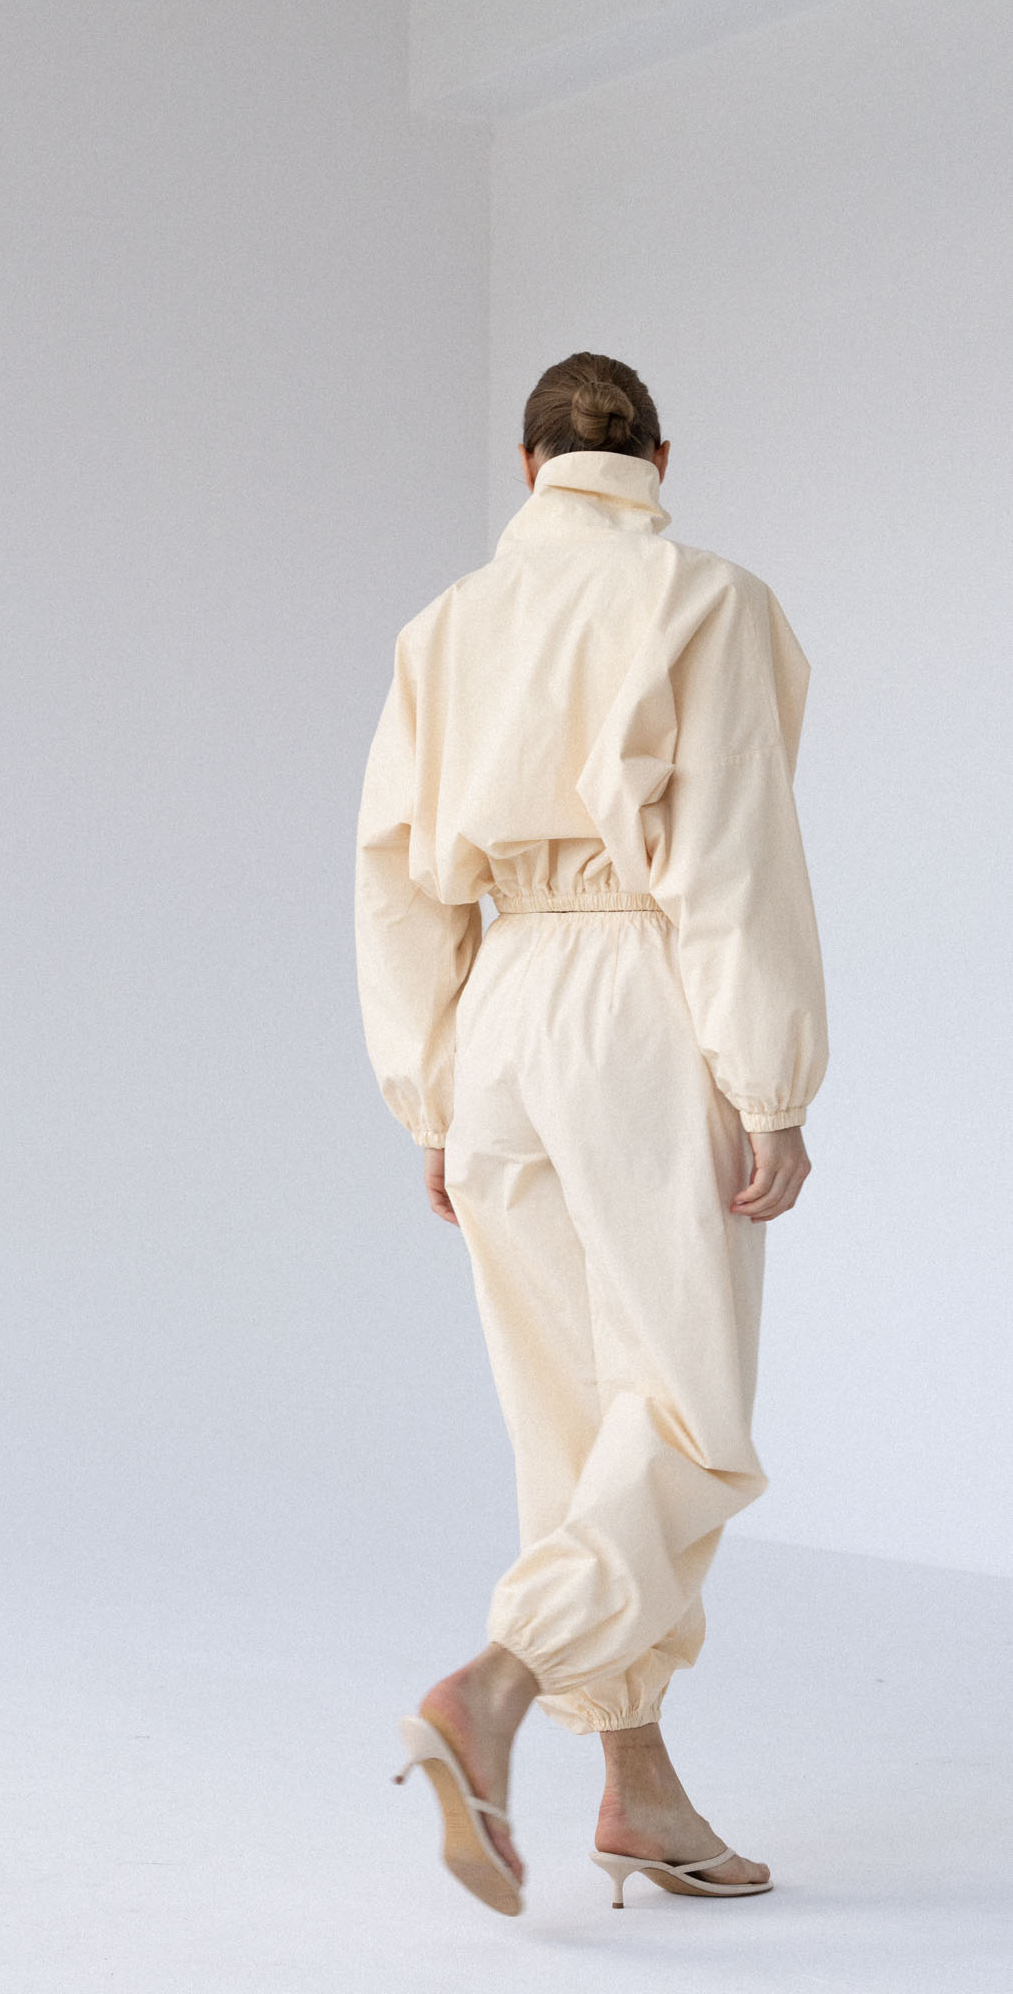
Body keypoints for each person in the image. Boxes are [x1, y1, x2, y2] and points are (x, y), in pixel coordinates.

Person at [354, 351, 827, 1915]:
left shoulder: (446, 626)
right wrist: (771, 1085)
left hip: (499, 1006)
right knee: (689, 1422)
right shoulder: (704, 597)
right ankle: (491, 1687)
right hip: (639, 995)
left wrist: (432, 1091)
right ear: (659, 459)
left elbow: (397, 879)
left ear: (528, 465)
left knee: (570, 1427)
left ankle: (638, 1793)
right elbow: (734, 852)